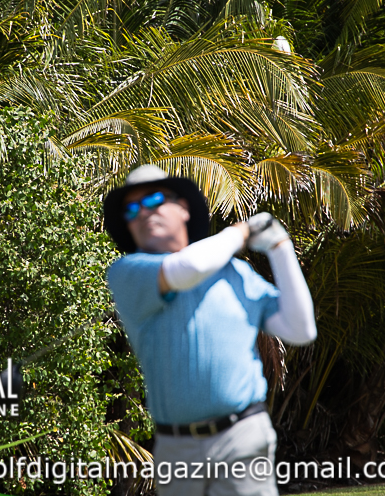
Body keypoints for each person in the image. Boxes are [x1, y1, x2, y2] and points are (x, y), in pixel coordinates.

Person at [104, 165, 317, 496]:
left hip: (241, 436)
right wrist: (240, 232)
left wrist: (280, 246)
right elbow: (189, 267)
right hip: (176, 449)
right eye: (131, 209)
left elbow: (300, 328)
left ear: (183, 208)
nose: (143, 212)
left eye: (155, 200)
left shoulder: (236, 273)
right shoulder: (128, 273)